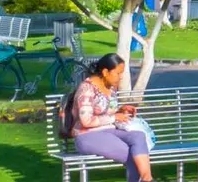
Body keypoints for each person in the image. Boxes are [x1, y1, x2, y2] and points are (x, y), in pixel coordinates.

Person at [58, 54, 155, 182]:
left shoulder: (110, 87)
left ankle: (147, 178)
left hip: (108, 131)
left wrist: (120, 110)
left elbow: (106, 111)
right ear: (105, 72)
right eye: (118, 73)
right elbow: (86, 121)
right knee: (132, 155)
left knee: (138, 136)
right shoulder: (86, 89)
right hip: (87, 135)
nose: (121, 77)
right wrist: (114, 117)